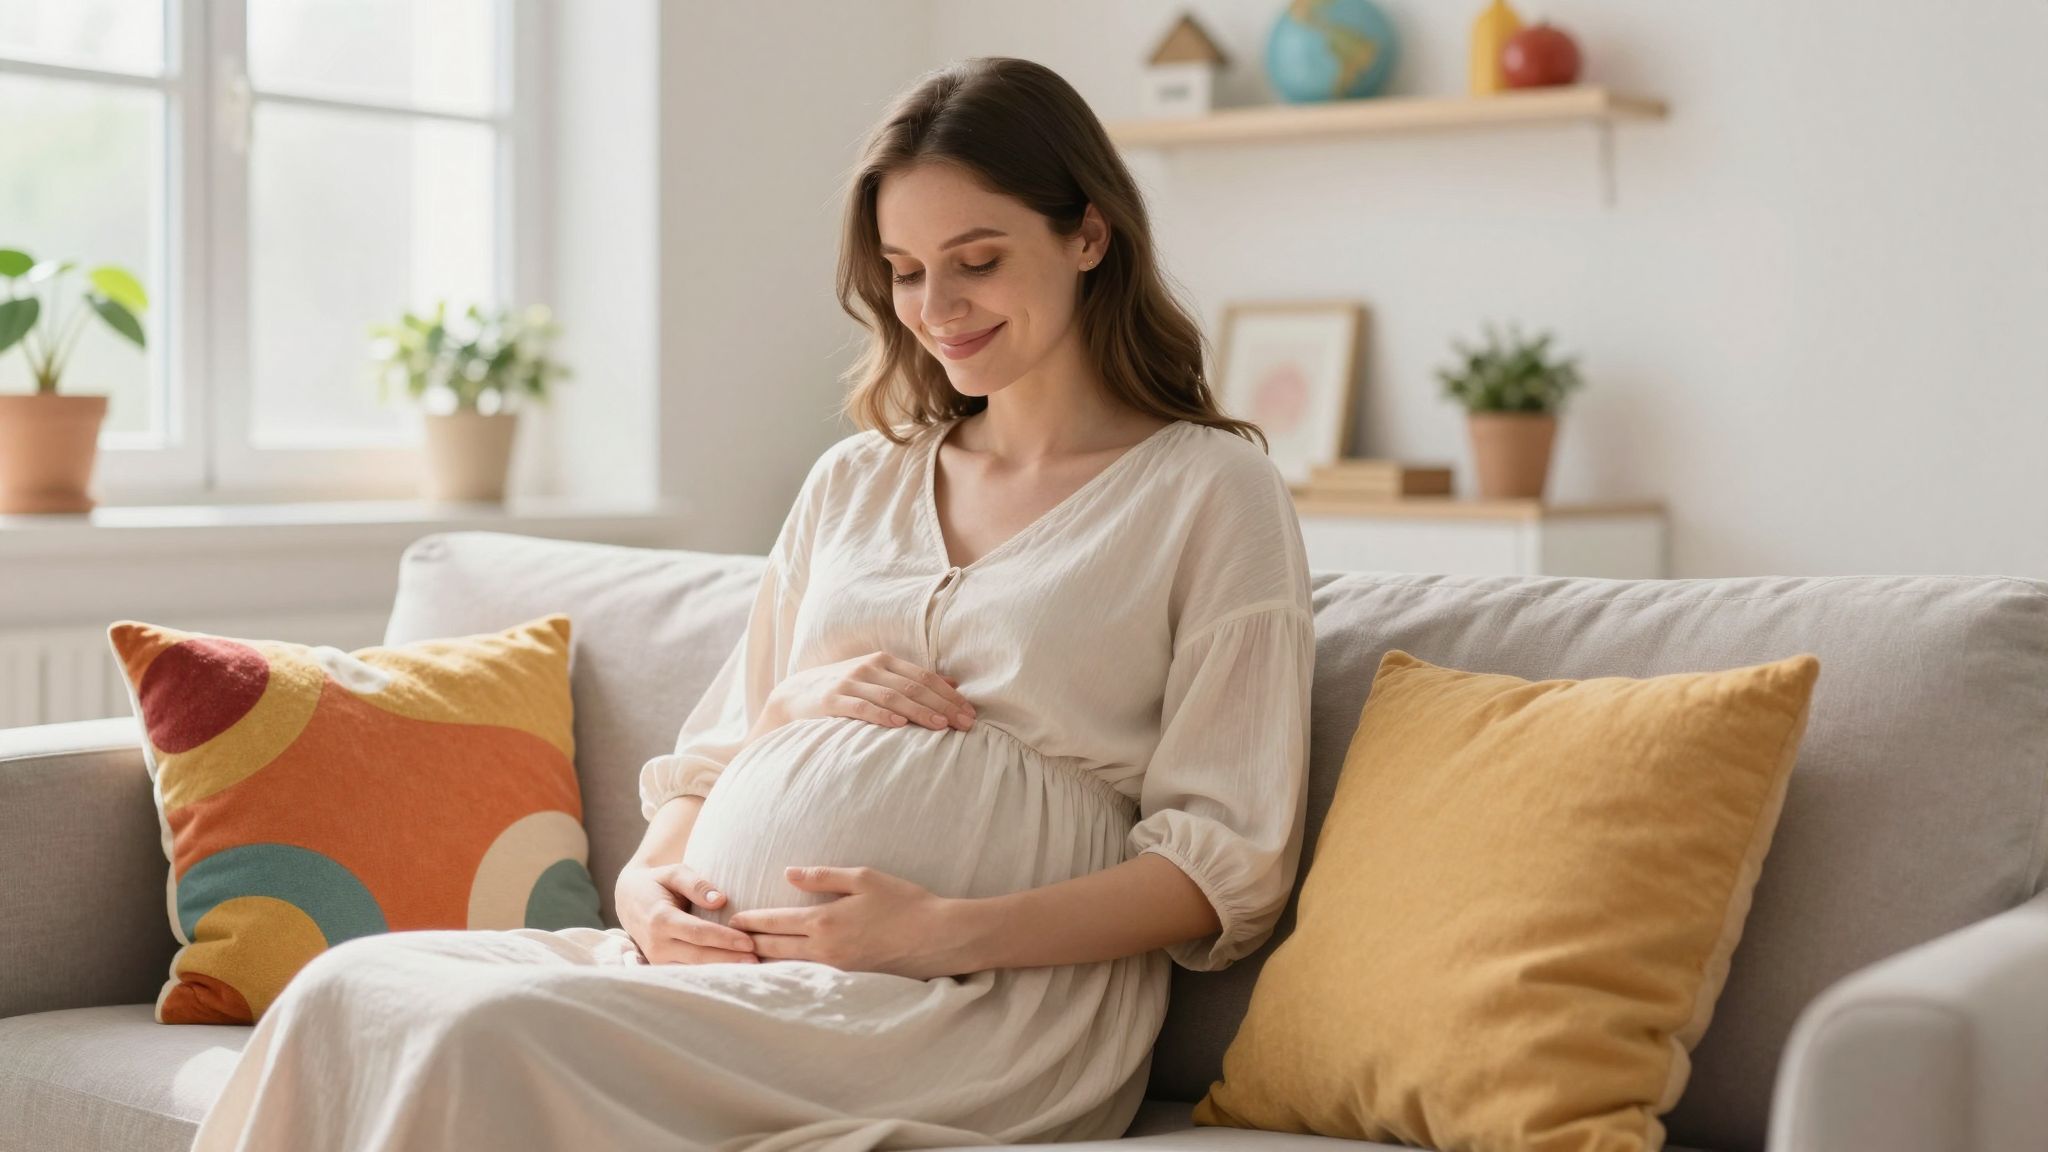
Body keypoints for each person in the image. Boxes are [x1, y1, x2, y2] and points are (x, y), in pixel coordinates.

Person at [190, 55, 1315, 1152]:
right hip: (723, 968)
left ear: (1087, 235)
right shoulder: (856, 478)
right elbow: (712, 756)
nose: (937, 305)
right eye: (906, 269)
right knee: (344, 992)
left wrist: (938, 934)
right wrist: (644, 894)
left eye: (976, 259)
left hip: (976, 1004)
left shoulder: (1209, 492)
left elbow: (1226, 864)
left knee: (481, 1037)